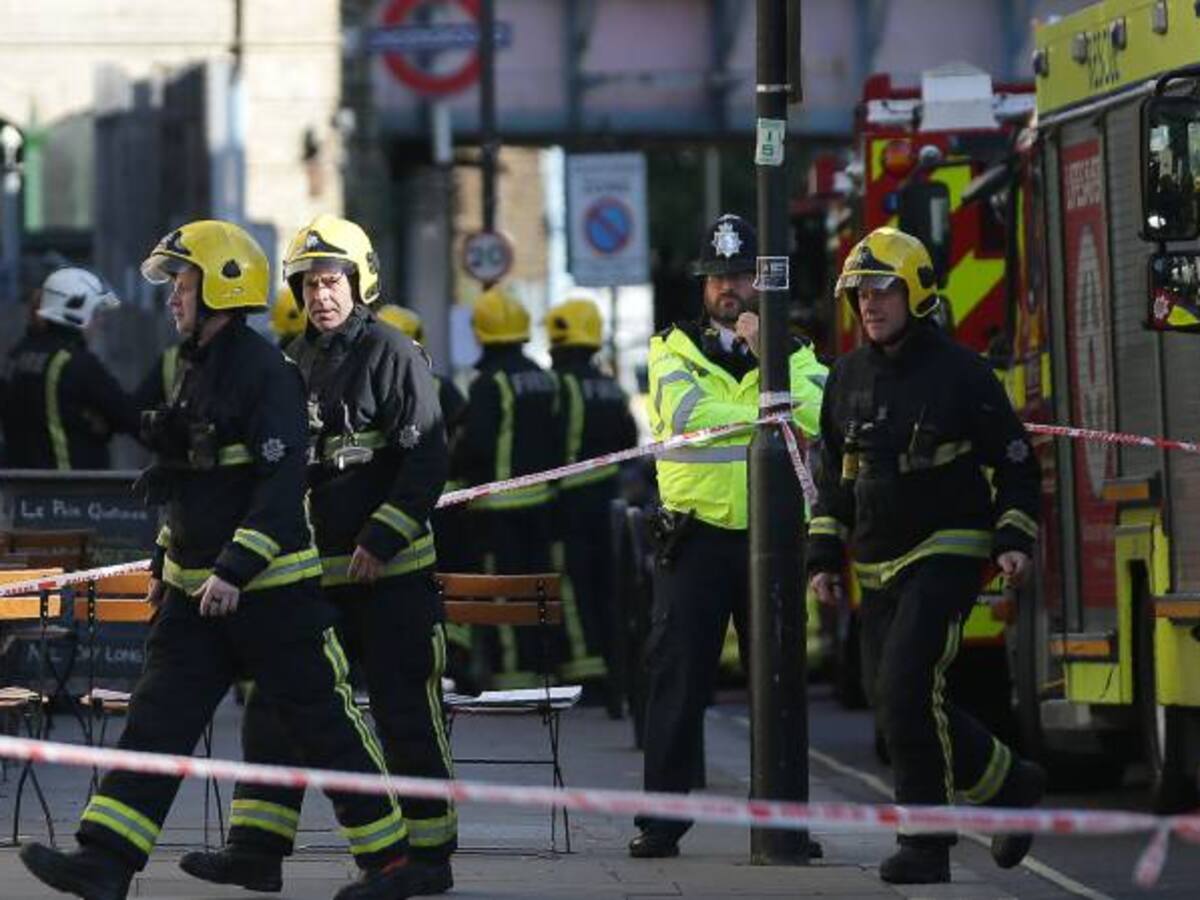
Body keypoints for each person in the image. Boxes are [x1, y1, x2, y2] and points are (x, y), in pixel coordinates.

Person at [18, 219, 425, 900]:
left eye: (182, 285)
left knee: (322, 724)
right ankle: (104, 861)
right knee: (157, 719)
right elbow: (184, 466)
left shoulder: (269, 373)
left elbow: (278, 482)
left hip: (271, 592)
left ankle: (391, 862)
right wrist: (163, 560)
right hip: (193, 592)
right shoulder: (187, 363)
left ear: (219, 286)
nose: (173, 299)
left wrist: (236, 569)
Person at [177, 215, 457, 894]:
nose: (320, 295)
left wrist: (381, 537)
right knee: (278, 708)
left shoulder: (396, 353)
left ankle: (426, 859)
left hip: (390, 579)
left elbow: (427, 460)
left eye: (332, 281)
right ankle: (257, 849)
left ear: (359, 283)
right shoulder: (290, 362)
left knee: (403, 713)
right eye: (309, 283)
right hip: (310, 579)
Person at [807, 226, 1044, 885]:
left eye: (883, 290)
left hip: (947, 548)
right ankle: (1009, 786)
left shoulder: (964, 374)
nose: (870, 305)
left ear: (916, 292)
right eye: (859, 294)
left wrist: (1013, 540)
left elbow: (1019, 465)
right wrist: (823, 553)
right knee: (893, 702)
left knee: (909, 685)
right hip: (875, 564)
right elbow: (835, 478)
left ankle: (925, 841)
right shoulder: (847, 377)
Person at [629, 213, 826, 859]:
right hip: (696, 539)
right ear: (703, 286)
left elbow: (822, 413)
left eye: (740, 276)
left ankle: (784, 824)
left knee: (780, 684)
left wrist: (768, 353)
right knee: (678, 681)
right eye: (717, 278)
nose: (728, 289)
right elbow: (689, 416)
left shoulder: (792, 350)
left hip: (771, 539)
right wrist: (771, 410)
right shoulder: (672, 347)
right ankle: (661, 820)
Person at [450, 286, 563, 688]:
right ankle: (543, 669)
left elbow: (475, 444)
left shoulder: (489, 384)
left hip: (498, 510)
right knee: (537, 593)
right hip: (544, 506)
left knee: (503, 595)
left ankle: (512, 675)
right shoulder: (544, 378)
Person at [544, 297, 637, 696]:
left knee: (574, 586)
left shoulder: (560, 386)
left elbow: (549, 443)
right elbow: (629, 440)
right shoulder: (610, 386)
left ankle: (586, 672)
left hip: (569, 505)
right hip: (609, 498)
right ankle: (615, 669)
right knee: (609, 587)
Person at [0, 266, 140, 469]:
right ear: (76, 311)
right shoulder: (76, 364)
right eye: (95, 313)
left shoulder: (17, 356)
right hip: (69, 492)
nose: (99, 321)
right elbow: (127, 415)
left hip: (18, 491)